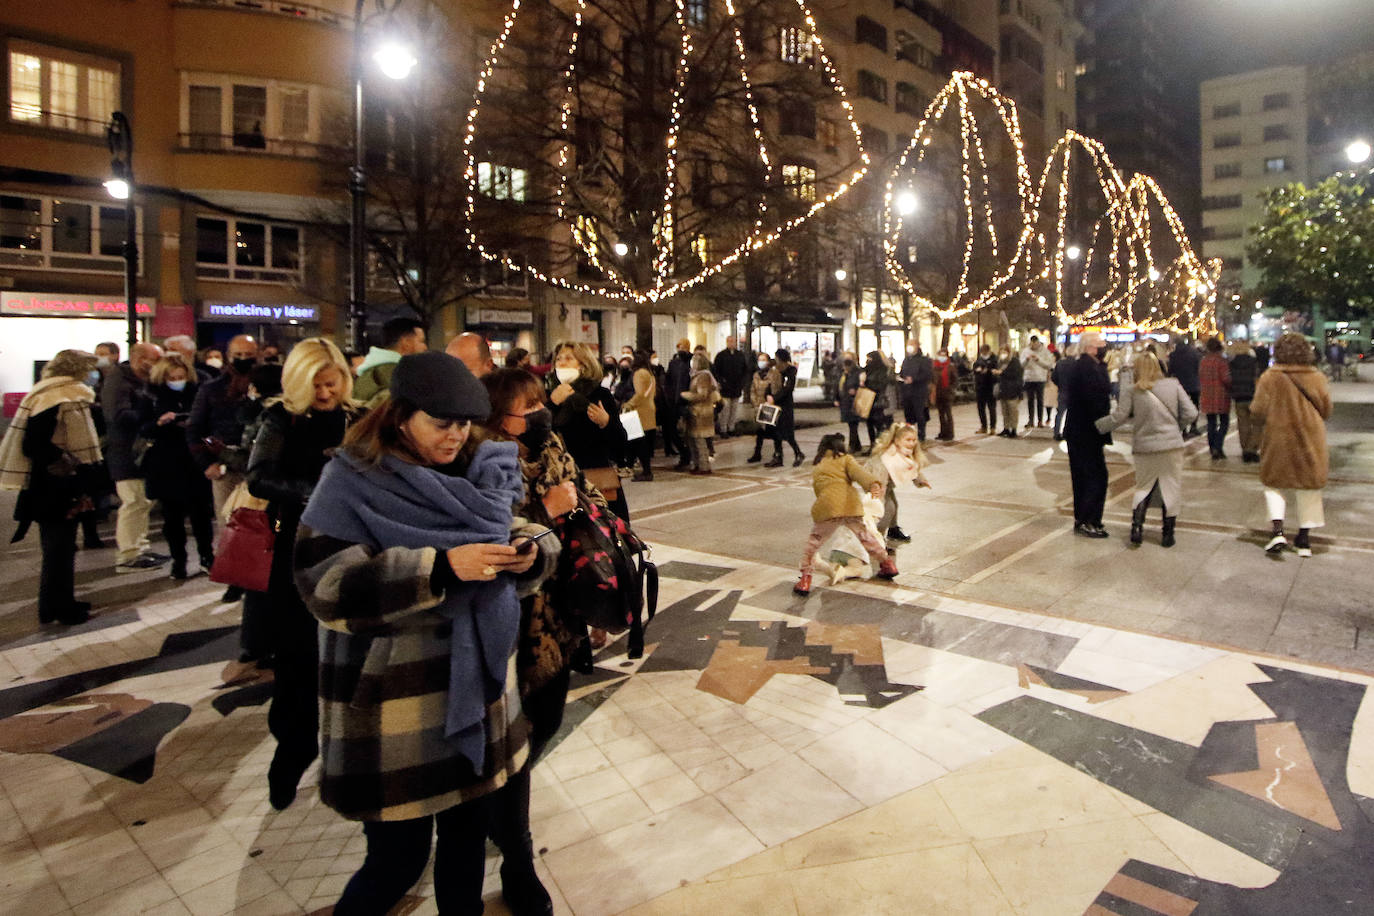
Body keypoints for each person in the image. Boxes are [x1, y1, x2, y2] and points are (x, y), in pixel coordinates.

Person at [294, 352, 552, 916]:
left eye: (465, 423)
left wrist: (529, 553)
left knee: (465, 847)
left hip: (477, 697)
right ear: (401, 415)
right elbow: (325, 586)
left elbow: (515, 527)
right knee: (396, 862)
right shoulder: (352, 478)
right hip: (394, 708)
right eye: (442, 423)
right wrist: (438, 569)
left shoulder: (481, 466)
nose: (457, 436)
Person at [247, 337, 363, 809]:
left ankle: (349, 755)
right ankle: (292, 751)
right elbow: (259, 476)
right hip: (296, 550)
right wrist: (316, 488)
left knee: (350, 654)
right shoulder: (281, 418)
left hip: (353, 547)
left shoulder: (357, 416)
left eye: (331, 381)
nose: (325, 391)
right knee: (296, 659)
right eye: (315, 383)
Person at [0, 349, 104, 625]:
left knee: (62, 547)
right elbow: (33, 443)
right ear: (77, 369)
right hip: (56, 486)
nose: (94, 374)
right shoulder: (59, 397)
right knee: (59, 548)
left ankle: (56, 604)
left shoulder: (53, 394)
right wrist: (66, 460)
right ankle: (59, 608)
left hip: (54, 484)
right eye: (90, 368)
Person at [1095, 351, 1198, 547]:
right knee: (1171, 487)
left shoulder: (1132, 390)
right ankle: (1168, 534)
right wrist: (1177, 427)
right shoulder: (1173, 385)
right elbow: (1192, 413)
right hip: (1171, 446)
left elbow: (1119, 417)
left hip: (1144, 447)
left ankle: (1136, 528)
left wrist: (1097, 426)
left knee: (1143, 487)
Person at [1249, 332, 1332, 558]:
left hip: (1279, 436)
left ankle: (1278, 531)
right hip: (1310, 437)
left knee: (1274, 483)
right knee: (1310, 485)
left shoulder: (1269, 377)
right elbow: (1326, 410)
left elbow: (1257, 410)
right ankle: (1304, 539)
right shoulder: (1317, 377)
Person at [793, 433, 898, 596]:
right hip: (850, 505)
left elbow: (819, 490)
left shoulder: (819, 464)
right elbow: (860, 474)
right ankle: (887, 564)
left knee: (814, 544)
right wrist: (873, 485)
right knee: (866, 537)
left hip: (829, 507)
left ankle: (805, 579)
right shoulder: (846, 459)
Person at [142, 354, 215, 579]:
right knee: (172, 518)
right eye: (172, 377)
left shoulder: (199, 392)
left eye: (181, 376)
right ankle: (179, 560)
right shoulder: (151, 396)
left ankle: (206, 556)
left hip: (194, 460)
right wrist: (160, 422)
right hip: (166, 463)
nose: (177, 380)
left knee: (201, 514)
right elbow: (142, 427)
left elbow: (209, 422)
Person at [102, 341, 169, 572]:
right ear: (140, 359)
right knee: (133, 502)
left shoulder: (140, 381)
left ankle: (140, 548)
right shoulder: (119, 380)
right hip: (127, 452)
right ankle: (129, 554)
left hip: (140, 453)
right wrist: (151, 416)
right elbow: (118, 415)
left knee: (142, 502)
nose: (159, 365)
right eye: (156, 360)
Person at [549, 341, 630, 518]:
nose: (561, 363)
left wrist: (606, 422)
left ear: (583, 364)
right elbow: (540, 434)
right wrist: (552, 404)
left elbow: (621, 444)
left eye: (568, 359)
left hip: (595, 478)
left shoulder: (599, 395)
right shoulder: (549, 394)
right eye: (558, 359)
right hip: (559, 480)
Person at [187, 335, 260, 524]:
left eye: (248, 354)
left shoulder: (269, 386)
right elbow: (195, 428)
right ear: (229, 356)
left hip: (261, 466)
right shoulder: (212, 389)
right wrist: (206, 463)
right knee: (229, 525)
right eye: (239, 354)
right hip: (226, 467)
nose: (244, 359)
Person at [1064, 332, 1113, 538]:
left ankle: (1083, 518)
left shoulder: (1086, 366)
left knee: (1085, 476)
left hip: (1081, 431)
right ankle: (1089, 520)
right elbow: (1095, 400)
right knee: (1094, 476)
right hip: (1086, 432)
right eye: (1101, 344)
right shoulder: (1088, 368)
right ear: (1090, 348)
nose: (1104, 347)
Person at [865, 422, 930, 549]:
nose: (912, 443)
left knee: (894, 504)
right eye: (908, 440)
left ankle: (893, 530)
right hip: (875, 482)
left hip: (886, 485)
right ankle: (876, 537)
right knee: (888, 508)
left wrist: (920, 480)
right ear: (897, 440)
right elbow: (879, 481)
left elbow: (912, 467)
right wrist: (878, 503)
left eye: (914, 440)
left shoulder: (904, 452)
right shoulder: (887, 458)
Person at [353, 316, 428, 404]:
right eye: (421, 341)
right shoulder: (402, 377)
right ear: (407, 342)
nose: (425, 347)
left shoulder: (367, 374)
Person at [681, 353, 722, 474]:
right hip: (695, 412)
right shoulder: (695, 375)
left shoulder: (703, 376)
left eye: (694, 361)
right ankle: (696, 464)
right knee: (693, 440)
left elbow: (702, 395)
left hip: (701, 412)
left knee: (700, 440)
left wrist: (686, 395)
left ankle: (704, 466)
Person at [623, 349, 658, 481]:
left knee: (638, 443)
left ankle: (646, 472)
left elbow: (640, 394)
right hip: (648, 410)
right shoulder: (650, 373)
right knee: (641, 443)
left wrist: (628, 404)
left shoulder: (638, 374)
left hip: (638, 412)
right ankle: (633, 467)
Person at [1229, 339, 1263, 463]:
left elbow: (1229, 379)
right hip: (1252, 395)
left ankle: (1245, 450)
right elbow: (1257, 377)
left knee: (1243, 424)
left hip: (1239, 397)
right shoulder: (1252, 362)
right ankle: (1252, 448)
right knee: (1257, 424)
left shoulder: (1231, 363)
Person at [1199, 336, 1232, 460]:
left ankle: (1212, 447)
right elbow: (1226, 379)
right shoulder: (1221, 362)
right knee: (1224, 422)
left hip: (1207, 395)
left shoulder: (1203, 361)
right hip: (1221, 395)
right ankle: (1218, 446)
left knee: (1211, 423)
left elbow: (1200, 375)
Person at [746, 353, 782, 464]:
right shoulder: (756, 374)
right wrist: (755, 403)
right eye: (759, 360)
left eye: (763, 359)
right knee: (760, 431)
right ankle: (757, 453)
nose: (761, 362)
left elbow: (776, 389)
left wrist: (770, 401)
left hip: (769, 406)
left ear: (768, 361)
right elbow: (752, 390)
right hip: (758, 406)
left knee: (774, 431)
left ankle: (778, 454)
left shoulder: (774, 374)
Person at [771, 348, 805, 467]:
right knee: (776, 432)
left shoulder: (790, 372)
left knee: (788, 433)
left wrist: (774, 398)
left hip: (785, 406)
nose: (776, 362)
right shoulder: (776, 371)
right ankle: (778, 456)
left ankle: (798, 453)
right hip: (775, 405)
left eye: (777, 360)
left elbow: (787, 389)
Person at [664, 339, 693, 469]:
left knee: (689, 431)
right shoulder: (673, 363)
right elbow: (668, 381)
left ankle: (690, 455)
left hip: (686, 401)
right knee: (671, 430)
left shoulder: (692, 362)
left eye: (682, 347)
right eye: (678, 347)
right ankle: (684, 453)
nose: (680, 349)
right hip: (673, 403)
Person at [712, 336, 749, 438]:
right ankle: (723, 429)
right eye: (729, 341)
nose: (731, 343)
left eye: (733, 341)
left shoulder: (740, 355)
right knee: (725, 409)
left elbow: (745, 371)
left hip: (736, 388)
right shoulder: (721, 356)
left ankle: (731, 428)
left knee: (734, 409)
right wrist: (721, 382)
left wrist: (742, 383)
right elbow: (716, 371)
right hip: (725, 388)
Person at [1167, 336, 1201, 437]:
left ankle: (1183, 429)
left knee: (1181, 407)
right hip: (1194, 383)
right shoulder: (1194, 353)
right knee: (1195, 406)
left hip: (1180, 385)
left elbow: (1170, 370)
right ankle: (1194, 426)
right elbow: (1198, 368)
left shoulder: (1173, 355)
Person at [899, 344, 933, 439]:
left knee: (919, 414)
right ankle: (910, 434)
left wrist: (914, 379)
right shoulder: (906, 360)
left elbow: (927, 375)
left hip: (919, 391)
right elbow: (902, 372)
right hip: (907, 391)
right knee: (908, 414)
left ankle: (921, 435)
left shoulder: (924, 360)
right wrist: (902, 378)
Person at [860, 350, 890, 451]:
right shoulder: (867, 370)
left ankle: (879, 445)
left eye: (870, 359)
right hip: (868, 400)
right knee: (869, 424)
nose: (868, 361)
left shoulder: (882, 370)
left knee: (878, 424)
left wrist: (867, 384)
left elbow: (880, 385)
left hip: (877, 401)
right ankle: (872, 444)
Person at [1020, 336, 1052, 427]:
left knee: (1040, 400)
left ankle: (1040, 420)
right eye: (1032, 344)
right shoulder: (1025, 351)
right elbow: (1021, 365)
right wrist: (1026, 359)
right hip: (1029, 378)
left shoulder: (1045, 351)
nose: (1033, 346)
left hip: (1040, 379)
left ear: (1038, 343)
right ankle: (1031, 420)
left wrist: (1038, 360)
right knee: (1030, 400)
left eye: (1035, 343)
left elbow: (1049, 365)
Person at [835, 355, 864, 454]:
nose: (845, 369)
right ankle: (857, 445)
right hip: (846, 402)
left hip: (853, 402)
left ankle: (852, 446)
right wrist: (837, 398)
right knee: (851, 424)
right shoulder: (844, 374)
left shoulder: (857, 373)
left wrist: (855, 390)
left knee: (853, 424)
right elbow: (838, 386)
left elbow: (861, 385)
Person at [994, 345, 1024, 437]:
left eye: (1004, 351)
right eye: (1001, 352)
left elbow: (1016, 375)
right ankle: (1006, 428)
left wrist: (1002, 373)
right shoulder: (1000, 362)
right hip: (1003, 390)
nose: (1002, 354)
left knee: (1013, 411)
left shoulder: (1014, 361)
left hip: (1013, 390)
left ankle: (1013, 429)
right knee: (1005, 411)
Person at [1050, 344, 1077, 441]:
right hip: (1074, 393)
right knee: (1072, 414)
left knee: (1060, 413)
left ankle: (1056, 433)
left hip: (1062, 391)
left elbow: (1053, 377)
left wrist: (1060, 384)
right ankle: (1067, 432)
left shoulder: (1060, 363)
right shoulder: (1077, 364)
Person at [972, 344, 998, 434]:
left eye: (985, 352)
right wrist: (977, 370)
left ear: (988, 351)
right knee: (981, 408)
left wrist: (988, 371)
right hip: (980, 387)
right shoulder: (979, 360)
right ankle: (983, 426)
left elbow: (996, 371)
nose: (983, 353)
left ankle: (993, 427)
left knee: (992, 408)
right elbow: (974, 369)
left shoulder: (994, 359)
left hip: (990, 386)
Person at [931, 348, 956, 440]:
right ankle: (942, 432)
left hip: (947, 393)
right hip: (938, 393)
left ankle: (950, 433)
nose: (941, 357)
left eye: (943, 355)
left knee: (948, 414)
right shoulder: (935, 367)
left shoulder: (950, 366)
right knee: (941, 414)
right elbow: (933, 380)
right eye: (940, 355)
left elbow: (954, 380)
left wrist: (951, 389)